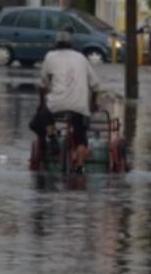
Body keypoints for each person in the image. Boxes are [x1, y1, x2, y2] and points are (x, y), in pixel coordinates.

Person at [37, 32, 102, 174]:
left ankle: (53, 138)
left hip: (56, 104)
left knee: (44, 115)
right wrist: (93, 103)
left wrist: (42, 103)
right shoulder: (81, 58)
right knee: (81, 137)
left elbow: (43, 84)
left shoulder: (50, 57)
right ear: (71, 44)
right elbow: (96, 85)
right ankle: (79, 167)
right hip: (79, 106)